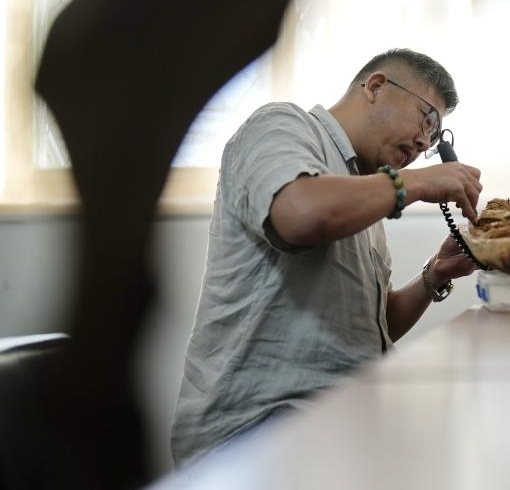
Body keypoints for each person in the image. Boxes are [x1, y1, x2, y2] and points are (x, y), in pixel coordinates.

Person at [170, 48, 482, 466]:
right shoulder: (281, 126)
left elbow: (372, 329)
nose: (426, 142)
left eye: (435, 133)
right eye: (426, 119)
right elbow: (300, 213)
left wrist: (436, 274)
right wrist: (416, 182)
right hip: (256, 434)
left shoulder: (364, 196)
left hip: (332, 427)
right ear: (376, 87)